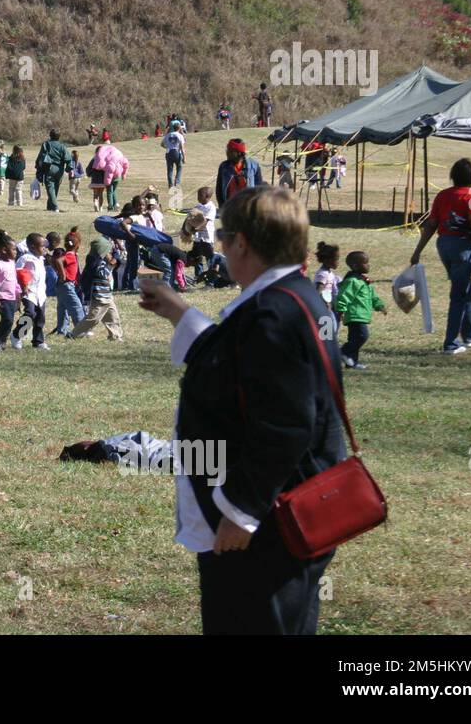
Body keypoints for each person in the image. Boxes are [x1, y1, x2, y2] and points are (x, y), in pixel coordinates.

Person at [138, 185, 347, 634]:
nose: (219, 247)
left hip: (266, 526)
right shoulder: (290, 297)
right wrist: (181, 314)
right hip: (274, 516)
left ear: (242, 244)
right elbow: (234, 361)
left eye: (221, 238)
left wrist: (241, 510)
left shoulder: (274, 314)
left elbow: (287, 424)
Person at [409, 158, 471, 355]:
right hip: (463, 247)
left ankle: (470, 335)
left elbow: (431, 224)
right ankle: (451, 343)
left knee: (464, 288)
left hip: (443, 244)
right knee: (458, 295)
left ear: (453, 176)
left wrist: (417, 251)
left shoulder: (443, 195)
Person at [334, 251, 386, 369]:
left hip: (362, 315)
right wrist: (341, 310)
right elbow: (344, 296)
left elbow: (372, 296)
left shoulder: (363, 280)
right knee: (362, 336)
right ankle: (341, 353)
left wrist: (379, 305)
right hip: (354, 314)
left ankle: (352, 363)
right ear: (355, 266)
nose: (368, 265)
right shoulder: (352, 281)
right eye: (365, 263)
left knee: (354, 339)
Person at [72, 229, 123, 340]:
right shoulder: (96, 263)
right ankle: (74, 334)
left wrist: (115, 258)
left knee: (113, 317)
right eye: (109, 252)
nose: (110, 255)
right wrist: (112, 263)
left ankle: (115, 336)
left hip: (107, 295)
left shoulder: (103, 261)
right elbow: (103, 274)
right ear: (102, 253)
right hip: (99, 296)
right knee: (93, 318)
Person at [15, 233, 50, 350]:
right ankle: (17, 336)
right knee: (30, 314)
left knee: (40, 317)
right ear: (33, 247)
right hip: (28, 292)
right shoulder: (25, 258)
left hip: (41, 293)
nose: (44, 248)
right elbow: (17, 272)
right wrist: (21, 287)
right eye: (42, 246)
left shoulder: (42, 259)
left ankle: (38, 341)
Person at [52, 230, 85, 337]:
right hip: (67, 285)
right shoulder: (70, 255)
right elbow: (58, 261)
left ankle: (62, 331)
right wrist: (62, 275)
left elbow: (54, 260)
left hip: (62, 286)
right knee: (76, 306)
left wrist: (58, 271)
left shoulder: (68, 253)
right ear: (78, 245)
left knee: (63, 308)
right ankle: (81, 330)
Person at [215, 138, 265, 207]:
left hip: (247, 207)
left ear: (239, 153)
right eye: (227, 150)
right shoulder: (224, 166)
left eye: (230, 151)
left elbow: (259, 187)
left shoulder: (253, 166)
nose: (227, 153)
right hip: (229, 206)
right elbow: (219, 188)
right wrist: (222, 206)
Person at [89, 139, 128, 211]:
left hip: (105, 179)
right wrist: (124, 174)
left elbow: (110, 170)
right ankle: (115, 204)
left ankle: (109, 206)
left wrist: (107, 182)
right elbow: (126, 164)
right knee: (113, 191)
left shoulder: (99, 159)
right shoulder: (116, 156)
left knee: (108, 192)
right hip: (118, 176)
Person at [312, 242, 342, 318]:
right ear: (327, 260)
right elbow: (318, 290)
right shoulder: (323, 274)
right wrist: (323, 303)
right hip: (325, 307)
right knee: (329, 328)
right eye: (336, 259)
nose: (338, 262)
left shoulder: (329, 273)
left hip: (330, 306)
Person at [163, 121, 186, 189]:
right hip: (177, 152)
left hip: (169, 153)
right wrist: (184, 158)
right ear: (179, 128)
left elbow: (162, 144)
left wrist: (168, 147)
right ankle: (177, 183)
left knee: (170, 170)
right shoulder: (180, 135)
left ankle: (170, 185)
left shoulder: (168, 135)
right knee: (179, 168)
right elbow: (182, 148)